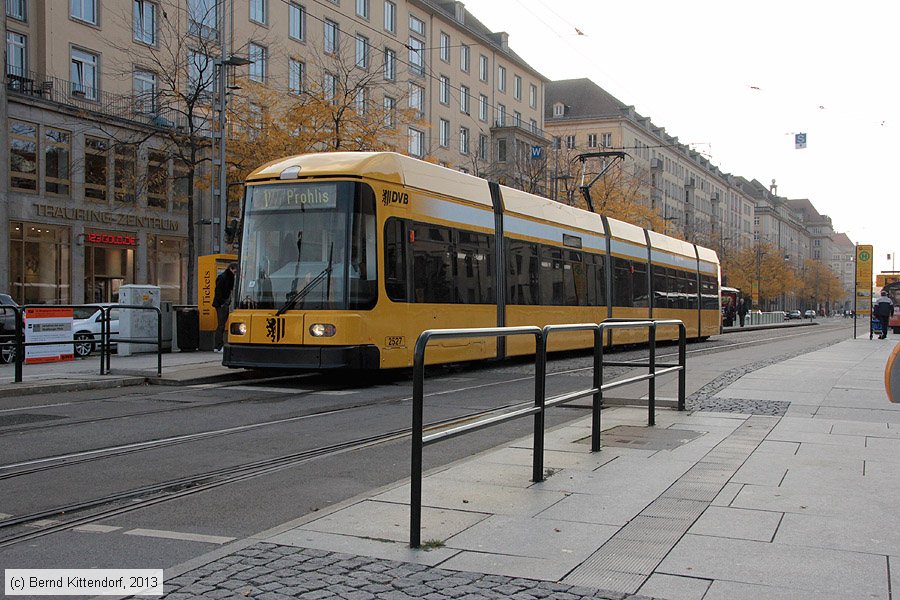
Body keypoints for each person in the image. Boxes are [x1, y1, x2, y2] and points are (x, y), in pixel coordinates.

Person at [212, 262, 238, 352]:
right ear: (231, 268)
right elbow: (218, 291)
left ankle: (218, 345)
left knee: (222, 324)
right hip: (221, 304)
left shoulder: (229, 277)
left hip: (224, 303)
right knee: (221, 325)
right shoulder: (223, 277)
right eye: (235, 271)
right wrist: (223, 302)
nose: (235, 273)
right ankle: (218, 346)